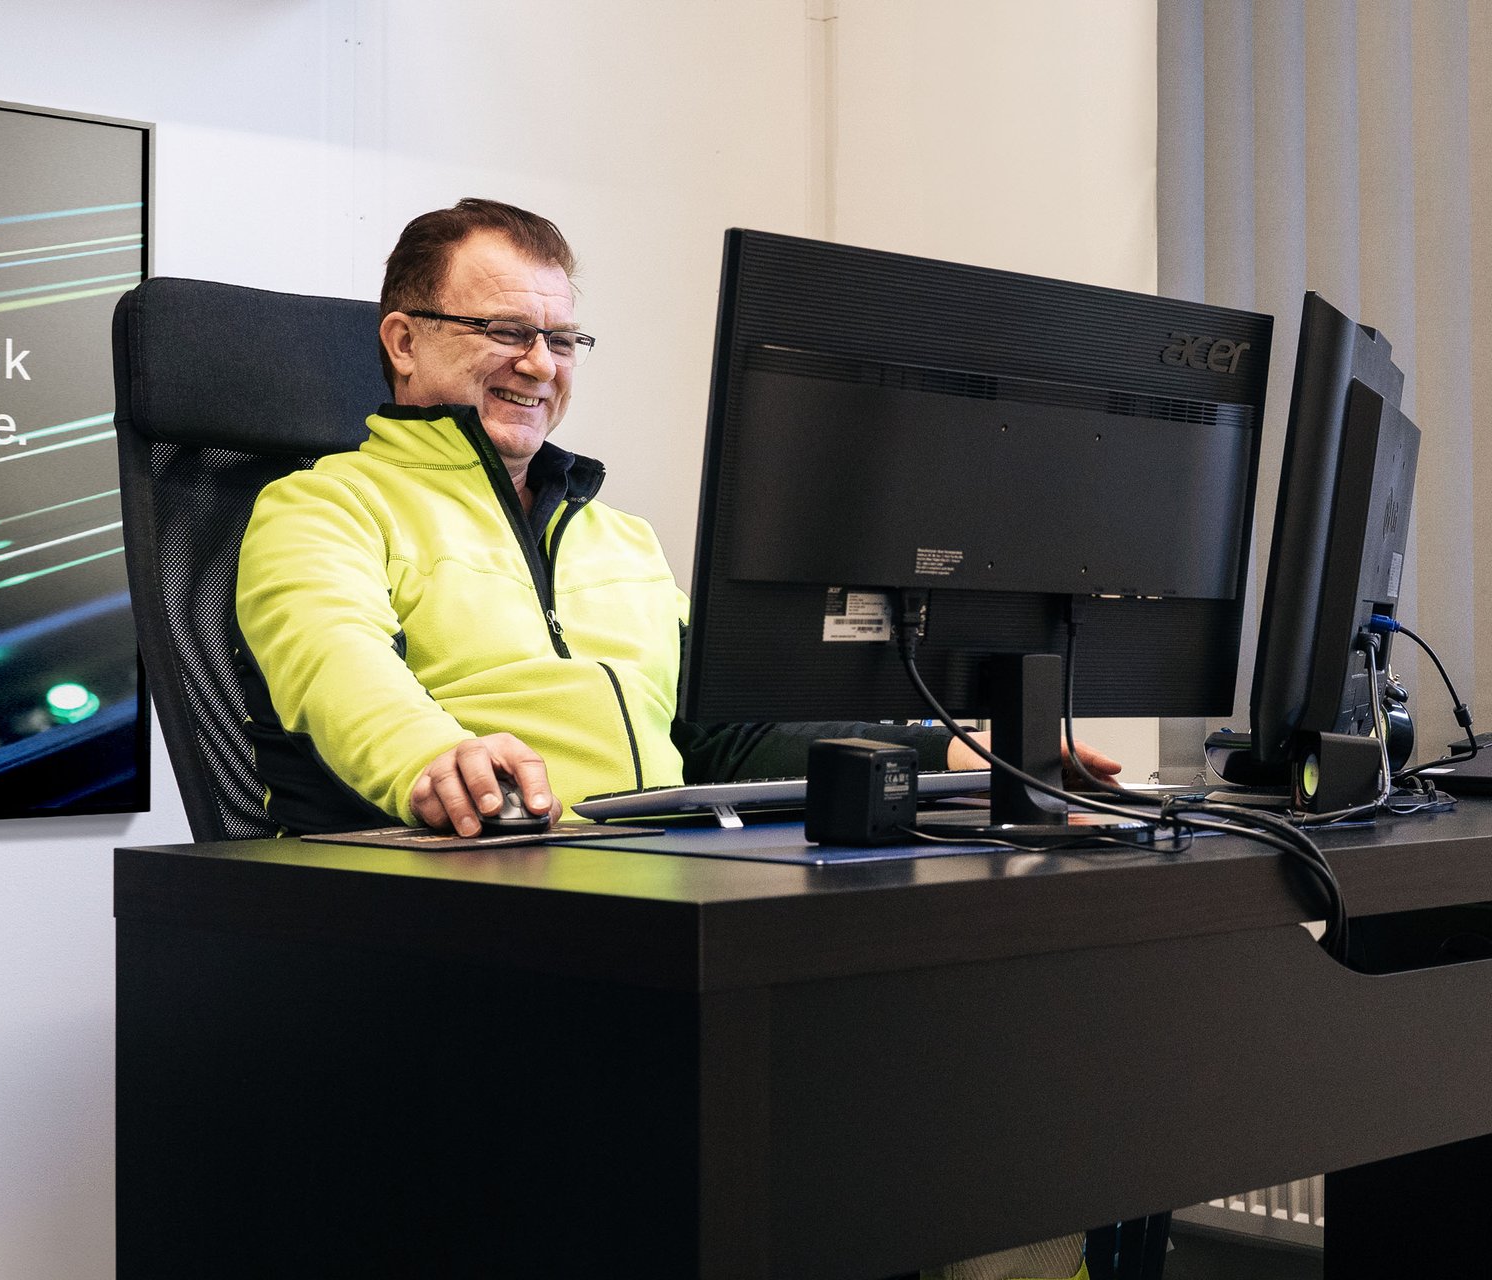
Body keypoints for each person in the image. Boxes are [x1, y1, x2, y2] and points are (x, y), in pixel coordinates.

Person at [235, 198, 1118, 837]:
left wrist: (957, 754)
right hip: (462, 868)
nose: (540, 366)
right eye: (505, 331)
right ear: (403, 340)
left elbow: (724, 732)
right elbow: (335, 663)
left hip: (653, 862)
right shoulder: (323, 505)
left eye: (563, 340)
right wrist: (433, 759)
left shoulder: (617, 536)